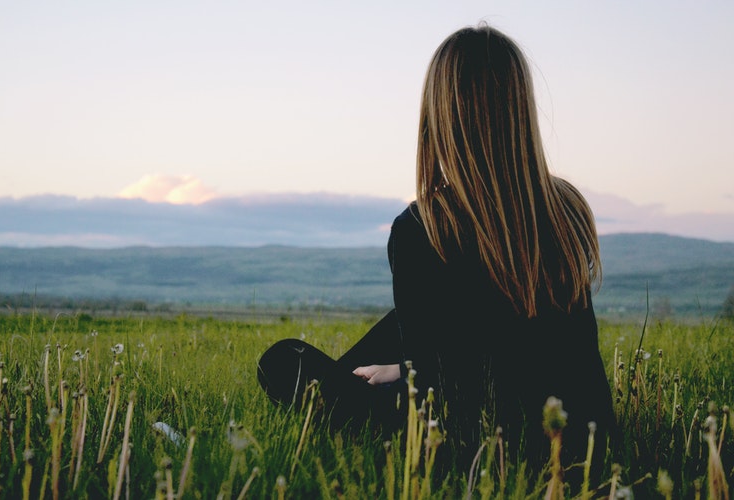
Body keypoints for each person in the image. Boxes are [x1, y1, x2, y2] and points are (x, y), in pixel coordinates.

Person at [257, 23, 615, 482]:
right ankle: (369, 377)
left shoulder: (425, 227)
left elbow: (441, 394)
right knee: (398, 328)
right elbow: (522, 343)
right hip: (583, 440)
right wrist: (403, 366)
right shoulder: (566, 207)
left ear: (441, 114)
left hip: (468, 445)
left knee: (283, 361)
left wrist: (407, 374)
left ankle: (337, 401)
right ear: (519, 109)